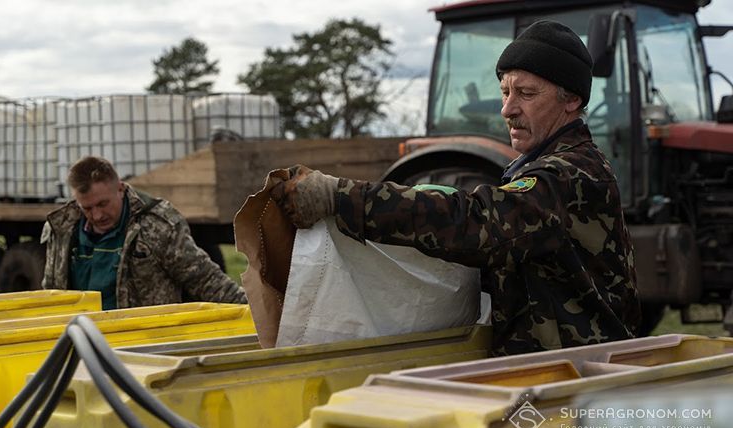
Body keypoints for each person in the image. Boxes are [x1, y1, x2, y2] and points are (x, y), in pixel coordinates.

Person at [269, 20, 640, 356]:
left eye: (526, 94)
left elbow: (476, 224)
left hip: (579, 377)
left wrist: (341, 197)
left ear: (571, 100)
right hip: (553, 369)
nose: (507, 109)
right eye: (505, 92)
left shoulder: (569, 174)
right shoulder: (540, 168)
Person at [41, 156, 246, 309]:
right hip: (82, 346)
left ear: (120, 189)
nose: (96, 215)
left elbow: (205, 279)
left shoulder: (157, 226)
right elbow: (51, 293)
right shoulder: (61, 230)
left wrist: (255, 312)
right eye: (87, 208)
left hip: (143, 347)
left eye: (103, 204)